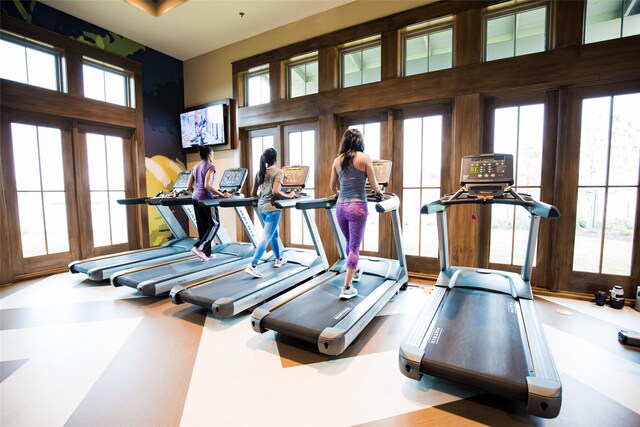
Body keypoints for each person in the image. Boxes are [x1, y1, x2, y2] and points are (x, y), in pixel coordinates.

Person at [330, 128, 384, 299]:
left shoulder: (337, 160)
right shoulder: (364, 157)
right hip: (357, 207)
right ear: (359, 141)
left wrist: (340, 193)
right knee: (354, 247)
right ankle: (346, 288)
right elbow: (375, 186)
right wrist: (379, 192)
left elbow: (332, 187)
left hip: (340, 208)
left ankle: (356, 269)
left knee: (349, 243)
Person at [244, 147, 295, 278]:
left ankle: (279, 258)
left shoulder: (260, 172)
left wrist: (262, 196)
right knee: (266, 237)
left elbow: (253, 193)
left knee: (274, 234)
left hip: (261, 208)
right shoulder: (278, 172)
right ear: (276, 159)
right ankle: (253, 265)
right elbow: (276, 191)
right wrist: (290, 196)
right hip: (273, 209)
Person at [187, 145, 231, 261]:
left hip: (195, 198)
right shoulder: (211, 166)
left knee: (203, 226)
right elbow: (207, 185)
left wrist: (197, 193)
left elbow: (189, 186)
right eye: (213, 155)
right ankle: (199, 247)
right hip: (207, 199)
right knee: (215, 224)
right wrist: (222, 195)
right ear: (209, 155)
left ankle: (206, 254)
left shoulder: (195, 166)